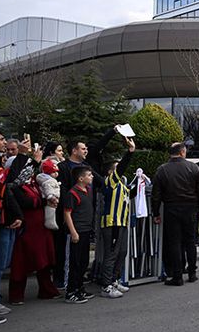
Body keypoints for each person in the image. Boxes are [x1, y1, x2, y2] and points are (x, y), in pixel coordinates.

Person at [54, 127, 116, 289]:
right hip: (70, 218)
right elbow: (62, 194)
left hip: (86, 219)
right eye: (83, 148)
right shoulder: (63, 167)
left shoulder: (87, 166)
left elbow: (103, 182)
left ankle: (79, 285)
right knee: (68, 254)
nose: (86, 150)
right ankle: (66, 284)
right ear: (74, 151)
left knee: (81, 257)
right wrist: (113, 131)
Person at [7, 149, 61, 306]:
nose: (29, 170)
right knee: (21, 262)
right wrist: (45, 202)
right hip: (26, 228)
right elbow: (26, 203)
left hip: (40, 226)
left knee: (44, 260)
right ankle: (16, 295)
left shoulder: (35, 183)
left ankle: (47, 290)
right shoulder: (16, 186)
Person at [152, 143, 199, 286]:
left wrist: (155, 212)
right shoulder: (194, 168)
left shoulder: (162, 170)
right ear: (182, 152)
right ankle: (192, 273)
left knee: (174, 242)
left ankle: (177, 275)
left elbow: (156, 194)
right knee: (190, 241)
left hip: (171, 208)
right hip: (190, 208)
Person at [0, 129, 24, 326]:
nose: (4, 143)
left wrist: (15, 214)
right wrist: (24, 157)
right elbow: (6, 180)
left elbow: (6, 190)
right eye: (1, 140)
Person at [98, 136, 135, 299]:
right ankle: (106, 285)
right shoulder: (110, 181)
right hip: (112, 222)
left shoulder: (121, 185)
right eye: (116, 168)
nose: (120, 170)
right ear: (110, 172)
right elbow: (121, 168)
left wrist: (140, 184)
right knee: (112, 254)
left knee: (122, 252)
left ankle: (114, 279)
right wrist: (130, 152)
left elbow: (129, 196)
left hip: (122, 222)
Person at [63, 166, 96, 304]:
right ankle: (71, 291)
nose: (92, 176)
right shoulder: (72, 193)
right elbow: (67, 213)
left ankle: (79, 287)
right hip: (77, 231)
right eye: (89, 175)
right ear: (81, 178)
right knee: (74, 262)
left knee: (83, 261)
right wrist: (73, 231)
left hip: (86, 230)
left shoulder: (88, 191)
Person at [36, 159, 60, 230]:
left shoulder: (49, 180)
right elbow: (48, 188)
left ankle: (51, 222)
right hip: (50, 198)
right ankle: (50, 222)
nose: (56, 174)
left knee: (52, 210)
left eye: (56, 172)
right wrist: (51, 196)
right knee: (50, 210)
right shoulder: (49, 181)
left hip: (53, 198)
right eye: (53, 172)